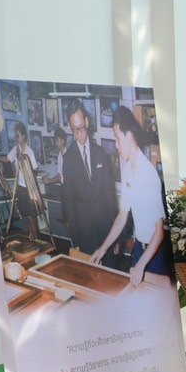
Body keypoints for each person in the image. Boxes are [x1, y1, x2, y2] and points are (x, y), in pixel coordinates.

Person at [88, 106, 166, 287]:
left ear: (129, 135)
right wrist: (102, 249)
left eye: (117, 137)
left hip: (153, 253)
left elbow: (159, 231)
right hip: (139, 247)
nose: (115, 144)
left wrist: (141, 265)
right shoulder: (127, 171)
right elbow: (122, 216)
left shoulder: (149, 175)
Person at [59, 100, 117, 256]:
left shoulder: (101, 154)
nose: (79, 133)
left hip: (106, 230)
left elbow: (110, 196)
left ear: (86, 121)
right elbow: (69, 203)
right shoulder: (68, 159)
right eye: (74, 129)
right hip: (85, 233)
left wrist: (116, 236)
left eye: (81, 127)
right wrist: (76, 241)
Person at [4, 122, 46, 239]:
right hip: (21, 187)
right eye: (16, 136)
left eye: (18, 136)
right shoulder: (15, 149)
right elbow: (7, 159)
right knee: (26, 216)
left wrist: (26, 167)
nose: (17, 138)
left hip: (30, 188)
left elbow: (35, 170)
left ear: (23, 136)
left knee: (32, 217)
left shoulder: (29, 151)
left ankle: (37, 239)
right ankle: (32, 237)